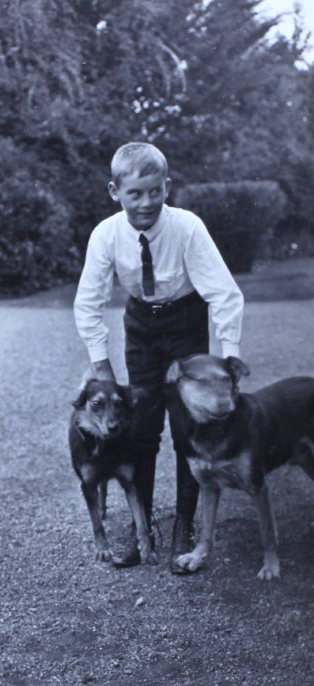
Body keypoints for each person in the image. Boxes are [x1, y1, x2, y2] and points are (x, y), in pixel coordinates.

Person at [74, 141, 244, 571]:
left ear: (167, 186)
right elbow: (88, 304)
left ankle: (183, 525)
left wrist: (228, 362)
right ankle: (142, 523)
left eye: (155, 191)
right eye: (135, 193)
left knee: (188, 425)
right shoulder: (106, 235)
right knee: (140, 426)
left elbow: (224, 294)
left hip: (185, 321)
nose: (147, 202)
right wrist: (102, 368)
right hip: (141, 327)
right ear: (115, 191)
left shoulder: (186, 228)